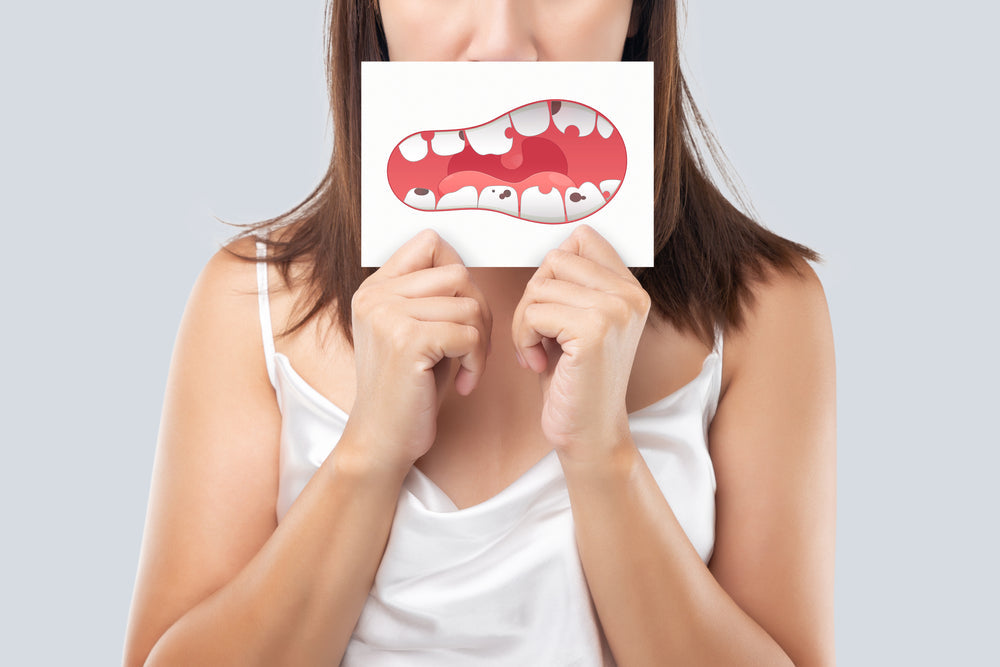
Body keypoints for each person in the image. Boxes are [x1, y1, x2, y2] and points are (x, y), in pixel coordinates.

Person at [123, 1, 836, 665]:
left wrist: (603, 455)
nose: (501, 46)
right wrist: (368, 451)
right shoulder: (250, 303)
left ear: (639, 10)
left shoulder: (762, 312)